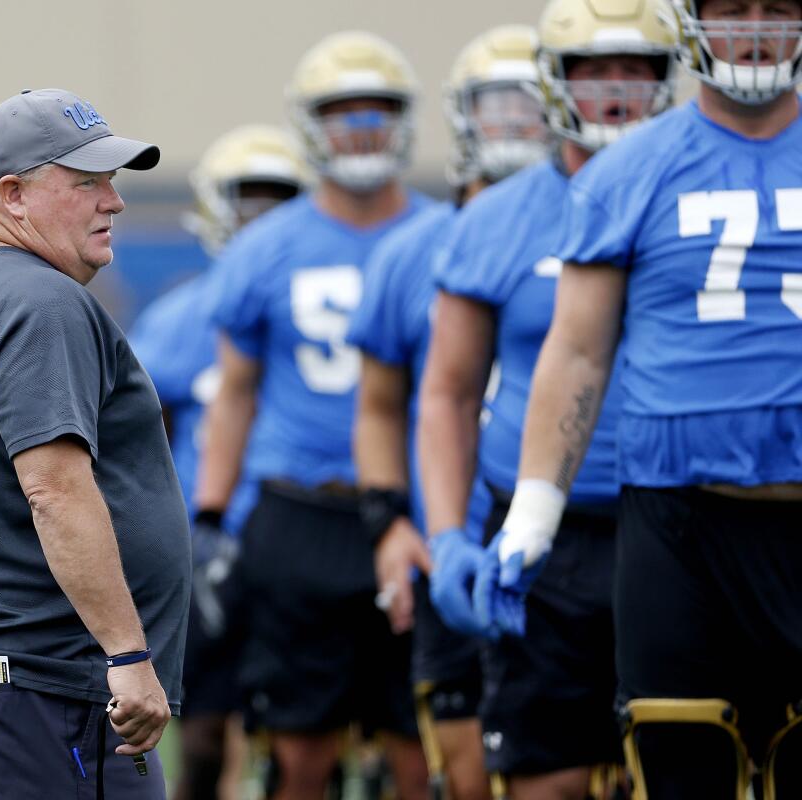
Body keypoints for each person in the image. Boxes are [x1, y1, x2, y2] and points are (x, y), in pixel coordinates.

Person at [469, 0, 802, 796]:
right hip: (675, 523)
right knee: (677, 760)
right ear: (691, 23)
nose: (753, 30)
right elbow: (578, 352)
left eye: (774, 9)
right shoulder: (628, 169)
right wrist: (534, 513)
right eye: (731, 10)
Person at [0, 88, 190, 800]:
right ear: (13, 194)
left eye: (112, 181)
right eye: (87, 182)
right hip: (41, 685)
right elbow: (54, 490)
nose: (113, 202)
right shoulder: (39, 300)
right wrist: (127, 652)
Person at [416, 1, 678, 797]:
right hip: (543, 536)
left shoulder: (695, 186)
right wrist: (446, 535)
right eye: (594, 68)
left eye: (636, 66)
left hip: (676, 523)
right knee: (545, 778)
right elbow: (448, 393)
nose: (616, 88)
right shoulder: (496, 217)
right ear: (556, 80)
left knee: (679, 766)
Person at [195, 31, 434, 800]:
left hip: (418, 506)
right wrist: (210, 510)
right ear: (312, 125)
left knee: (421, 744)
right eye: (343, 110)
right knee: (298, 750)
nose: (362, 125)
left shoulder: (444, 234)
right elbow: (235, 391)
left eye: (378, 108)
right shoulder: (265, 248)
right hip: (300, 507)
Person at [347, 25, 548, 800]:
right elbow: (378, 407)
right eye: (498, 106)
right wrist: (391, 521)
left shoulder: (602, 220)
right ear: (464, 117)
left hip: (577, 539)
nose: (517, 124)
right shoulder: (412, 249)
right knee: (462, 776)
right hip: (453, 540)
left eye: (530, 104)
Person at [127, 123, 311, 800]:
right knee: (201, 740)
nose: (260, 219)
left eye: (277, 200)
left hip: (302, 534)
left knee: (305, 736)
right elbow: (142, 444)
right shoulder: (180, 321)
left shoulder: (320, 307)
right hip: (208, 549)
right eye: (247, 200)